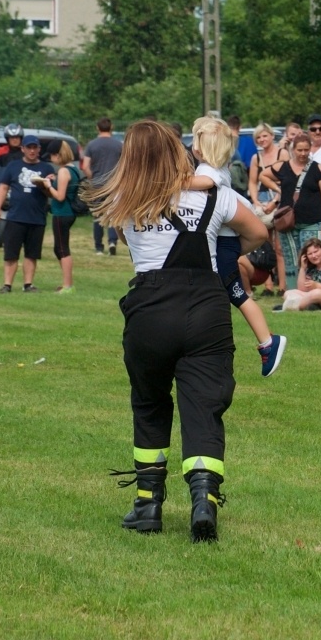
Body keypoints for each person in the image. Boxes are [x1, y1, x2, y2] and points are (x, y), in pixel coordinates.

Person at [94, 119, 269, 543]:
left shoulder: (123, 196)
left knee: (150, 403)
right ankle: (204, 500)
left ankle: (148, 503)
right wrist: (226, 251)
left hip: (150, 306)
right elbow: (259, 233)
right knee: (204, 406)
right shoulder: (220, 196)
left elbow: (123, 230)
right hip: (207, 306)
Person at [186, 118, 287, 375]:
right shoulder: (217, 168)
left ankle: (268, 342)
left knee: (235, 293)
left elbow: (203, 185)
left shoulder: (209, 172)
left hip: (224, 240)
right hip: (225, 239)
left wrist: (173, 183)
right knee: (228, 293)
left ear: (201, 150)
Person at [261, 133, 321, 309]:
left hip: (313, 221)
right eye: (299, 150)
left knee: (314, 258)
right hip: (288, 224)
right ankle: (293, 295)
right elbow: (263, 175)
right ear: (293, 150)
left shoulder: (319, 169)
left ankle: (314, 298)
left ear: (310, 150)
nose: (303, 153)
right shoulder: (283, 167)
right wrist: (278, 190)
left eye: (306, 150)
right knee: (291, 260)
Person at [0, 134, 55, 293]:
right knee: (11, 253)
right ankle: (7, 284)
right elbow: (4, 188)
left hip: (36, 217)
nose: (32, 151)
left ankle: (28, 284)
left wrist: (45, 185)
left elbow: (51, 194)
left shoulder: (46, 168)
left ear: (39, 149)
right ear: (23, 149)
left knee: (32, 253)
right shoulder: (13, 166)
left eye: (35, 147)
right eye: (29, 148)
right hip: (15, 216)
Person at [39, 141, 82, 294]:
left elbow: (60, 196)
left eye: (51, 156)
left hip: (62, 213)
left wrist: (48, 185)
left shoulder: (64, 171)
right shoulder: (73, 169)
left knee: (62, 248)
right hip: (67, 213)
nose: (51, 159)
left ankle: (68, 286)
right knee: (59, 248)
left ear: (58, 154)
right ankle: (66, 283)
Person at [82, 117, 123, 255]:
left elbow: (85, 166)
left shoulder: (92, 145)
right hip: (113, 184)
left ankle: (99, 247)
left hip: (97, 184)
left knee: (98, 215)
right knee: (113, 215)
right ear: (111, 127)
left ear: (97, 128)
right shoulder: (118, 145)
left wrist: (92, 177)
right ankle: (112, 241)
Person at [246, 124, 285, 218]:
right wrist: (255, 201)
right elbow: (252, 182)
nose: (262, 139)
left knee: (280, 228)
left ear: (272, 136)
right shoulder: (256, 158)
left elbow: (287, 181)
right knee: (264, 229)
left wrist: (275, 201)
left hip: (280, 195)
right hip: (262, 196)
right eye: (258, 137)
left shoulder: (282, 153)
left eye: (265, 136)